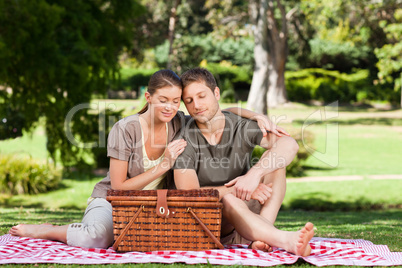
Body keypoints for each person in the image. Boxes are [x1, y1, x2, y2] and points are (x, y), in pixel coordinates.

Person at [9, 69, 284, 249]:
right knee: (96, 239)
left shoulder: (177, 122)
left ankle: (265, 237)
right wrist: (163, 166)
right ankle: (49, 230)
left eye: (176, 101)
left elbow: (212, 107)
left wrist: (253, 115)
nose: (170, 107)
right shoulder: (125, 129)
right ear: (148, 97)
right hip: (114, 202)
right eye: (163, 100)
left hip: (152, 206)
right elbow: (118, 189)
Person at [173, 67, 314, 256]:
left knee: (274, 163)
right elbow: (188, 196)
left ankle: (261, 238)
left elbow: (289, 144)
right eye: (189, 101)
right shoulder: (184, 139)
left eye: (201, 96)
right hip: (209, 223)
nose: (196, 105)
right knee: (229, 199)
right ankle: (284, 240)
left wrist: (253, 175)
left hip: (247, 214)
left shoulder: (239, 125)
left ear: (216, 93)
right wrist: (236, 188)